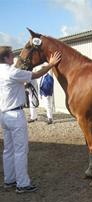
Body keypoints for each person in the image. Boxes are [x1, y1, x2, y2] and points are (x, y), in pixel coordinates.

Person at [0, 46, 61, 193]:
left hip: (3, 114)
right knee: (21, 150)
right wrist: (51, 64)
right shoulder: (12, 72)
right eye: (12, 56)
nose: (14, 58)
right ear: (8, 57)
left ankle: (10, 180)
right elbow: (36, 74)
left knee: (8, 150)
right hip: (15, 114)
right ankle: (23, 184)